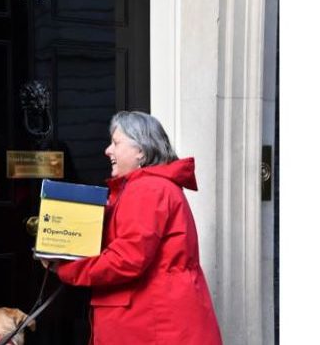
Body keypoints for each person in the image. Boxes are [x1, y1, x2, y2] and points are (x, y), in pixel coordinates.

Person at [41, 111, 223, 344]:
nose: (108, 150)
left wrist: (66, 267)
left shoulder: (146, 189)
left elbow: (126, 259)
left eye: (116, 143)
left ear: (141, 151)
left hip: (150, 324)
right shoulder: (155, 186)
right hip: (158, 320)